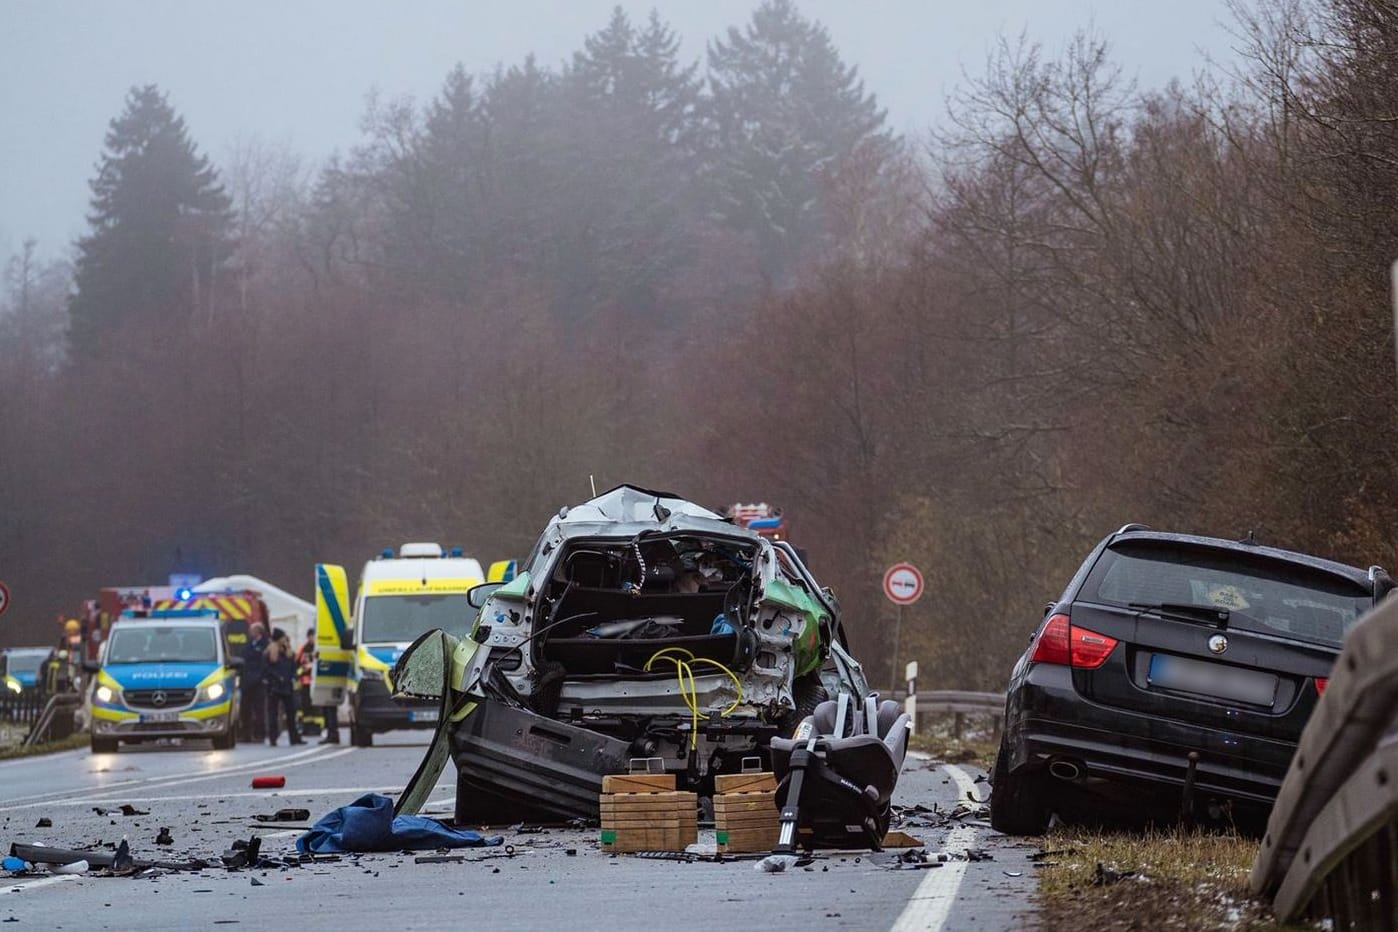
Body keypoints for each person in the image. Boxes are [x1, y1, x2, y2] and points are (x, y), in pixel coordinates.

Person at [264, 629, 303, 746]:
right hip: (275, 687)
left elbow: (293, 666)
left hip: (286, 686)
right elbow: (267, 669)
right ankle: (273, 738)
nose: (285, 640)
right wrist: (276, 678)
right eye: (283, 637)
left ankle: (294, 737)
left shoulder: (287, 651)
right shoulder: (270, 651)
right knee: (273, 713)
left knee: (291, 713)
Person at [241, 623, 270, 742]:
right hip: (247, 682)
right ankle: (246, 734)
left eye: (252, 630)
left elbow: (264, 663)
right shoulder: (249, 644)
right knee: (245, 709)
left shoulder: (265, 645)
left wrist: (260, 677)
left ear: (258, 631)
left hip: (258, 683)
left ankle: (260, 734)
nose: (249, 632)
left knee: (259, 710)